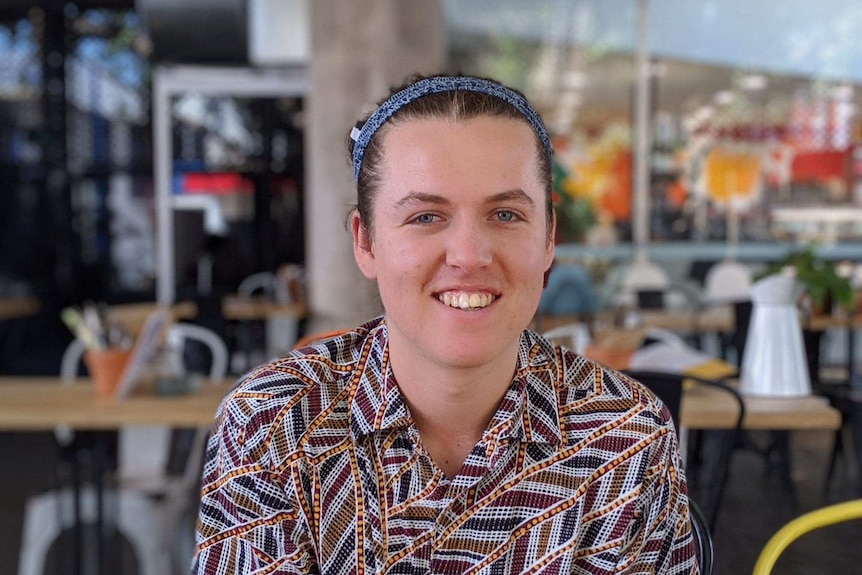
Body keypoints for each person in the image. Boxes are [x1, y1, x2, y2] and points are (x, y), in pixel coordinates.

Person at [193, 74, 698, 574]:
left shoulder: (626, 435)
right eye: (426, 217)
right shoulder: (273, 424)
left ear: (548, 240)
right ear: (366, 242)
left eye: (504, 215)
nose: (469, 255)